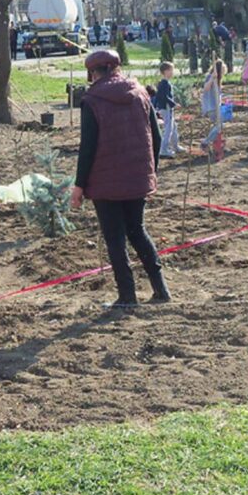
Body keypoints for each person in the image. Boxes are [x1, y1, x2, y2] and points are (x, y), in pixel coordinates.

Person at [70, 50, 170, 308]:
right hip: (137, 178)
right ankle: (161, 289)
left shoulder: (92, 100)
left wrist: (79, 186)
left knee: (115, 238)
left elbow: (87, 147)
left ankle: (127, 296)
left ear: (93, 73)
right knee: (137, 231)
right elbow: (156, 136)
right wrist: (150, 172)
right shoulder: (139, 93)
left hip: (105, 184)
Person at [154, 61, 182, 157]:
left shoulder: (164, 83)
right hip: (166, 109)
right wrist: (173, 104)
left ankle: (176, 146)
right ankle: (163, 150)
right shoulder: (164, 83)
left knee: (173, 127)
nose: (173, 72)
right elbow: (164, 97)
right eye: (171, 70)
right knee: (168, 129)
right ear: (166, 71)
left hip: (167, 108)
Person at [200, 58, 224, 153]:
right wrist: (212, 78)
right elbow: (206, 88)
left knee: (218, 126)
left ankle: (214, 143)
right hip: (211, 107)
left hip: (216, 107)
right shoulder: (210, 77)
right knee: (219, 126)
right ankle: (206, 142)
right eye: (223, 68)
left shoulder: (217, 80)